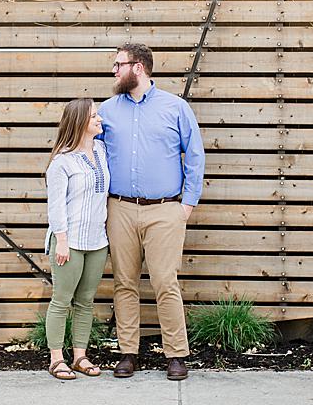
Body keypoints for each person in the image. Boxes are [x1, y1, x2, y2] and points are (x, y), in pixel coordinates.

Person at [98, 43, 205, 381]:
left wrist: (186, 204)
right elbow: (93, 157)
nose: (114, 71)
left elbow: (196, 156)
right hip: (120, 209)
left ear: (138, 68)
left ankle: (176, 355)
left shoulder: (176, 107)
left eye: (119, 64)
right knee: (124, 283)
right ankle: (128, 351)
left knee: (165, 283)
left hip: (165, 210)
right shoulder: (106, 110)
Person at [43, 98, 110, 380]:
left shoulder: (102, 150)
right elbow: (55, 205)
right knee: (61, 300)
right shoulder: (62, 162)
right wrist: (61, 240)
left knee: (85, 301)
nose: (99, 120)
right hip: (68, 242)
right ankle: (57, 359)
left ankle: (80, 356)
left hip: (97, 241)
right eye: (94, 116)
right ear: (80, 121)